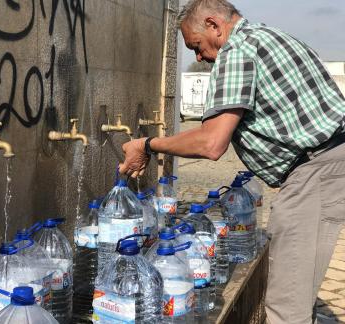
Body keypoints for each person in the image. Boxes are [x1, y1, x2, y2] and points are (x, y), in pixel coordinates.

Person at [119, 1, 345, 323]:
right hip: (329, 160)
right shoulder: (269, 36)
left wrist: (147, 144)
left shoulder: (237, 51)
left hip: (315, 171)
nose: (198, 58)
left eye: (196, 46)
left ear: (213, 25)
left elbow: (211, 143)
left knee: (286, 307)